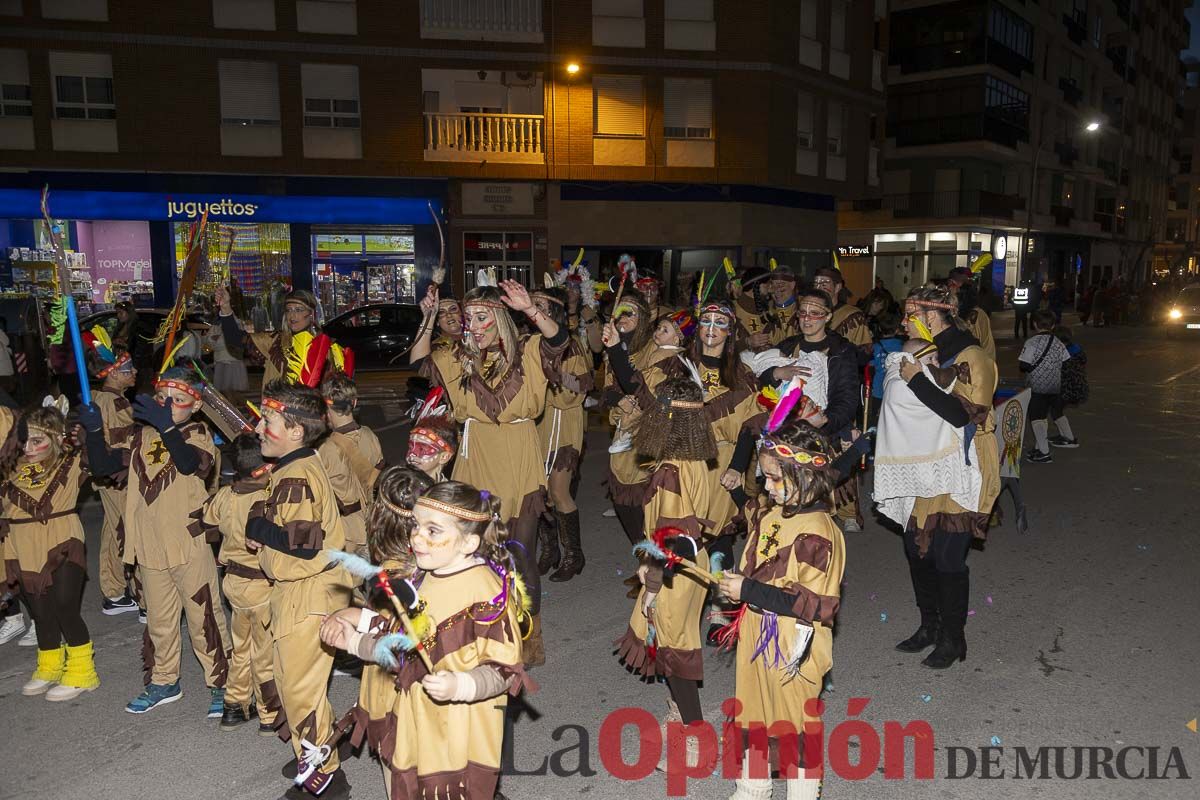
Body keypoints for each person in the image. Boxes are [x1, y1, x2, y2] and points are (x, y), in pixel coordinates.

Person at [321, 480, 534, 800]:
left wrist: (462, 686)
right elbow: (399, 639)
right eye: (417, 526)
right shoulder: (420, 575)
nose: (417, 536)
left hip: (459, 727)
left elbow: (504, 668)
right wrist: (355, 637)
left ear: (468, 543)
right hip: (415, 714)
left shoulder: (485, 590)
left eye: (433, 530)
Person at [409, 278, 568, 666]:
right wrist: (428, 317)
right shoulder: (457, 358)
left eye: (482, 317)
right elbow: (417, 361)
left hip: (519, 457)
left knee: (521, 553)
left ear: (500, 319)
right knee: (478, 555)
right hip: (476, 454)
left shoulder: (530, 350)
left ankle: (528, 640)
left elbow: (559, 337)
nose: (474, 326)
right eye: (468, 318)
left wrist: (530, 307)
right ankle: (483, 632)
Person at [80, 366, 231, 713]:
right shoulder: (140, 437)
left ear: (194, 406)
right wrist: (92, 432)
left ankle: (222, 683)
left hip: (187, 544)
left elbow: (192, 464)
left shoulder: (197, 433)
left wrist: (166, 425)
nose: (167, 406)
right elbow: (103, 466)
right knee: (160, 622)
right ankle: (165, 680)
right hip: (148, 546)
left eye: (178, 400)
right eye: (162, 399)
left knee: (204, 616)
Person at [717, 420, 845, 800]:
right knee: (754, 708)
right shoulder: (775, 512)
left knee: (795, 719)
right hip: (756, 632)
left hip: (794, 642)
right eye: (765, 477)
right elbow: (758, 527)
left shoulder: (819, 531)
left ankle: (803, 793)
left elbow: (813, 604)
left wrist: (748, 589)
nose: (767, 487)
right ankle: (753, 786)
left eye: (774, 479)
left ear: (804, 477)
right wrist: (738, 588)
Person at [245, 380, 354, 800]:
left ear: (295, 431)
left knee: (301, 692)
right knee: (301, 686)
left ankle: (324, 780)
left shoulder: (296, 475)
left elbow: (302, 546)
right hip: (301, 591)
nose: (258, 429)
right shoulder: (292, 468)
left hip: (307, 593)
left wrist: (258, 527)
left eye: (268, 419)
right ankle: (317, 753)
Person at [894, 285, 999, 669]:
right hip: (925, 462)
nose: (903, 322)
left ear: (934, 315)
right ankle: (929, 627)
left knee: (948, 558)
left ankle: (954, 640)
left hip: (963, 465)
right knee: (916, 549)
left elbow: (962, 415)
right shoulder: (918, 351)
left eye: (910, 314)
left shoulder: (973, 356)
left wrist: (914, 379)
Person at [614, 377, 717, 764]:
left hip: (673, 570)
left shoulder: (672, 468)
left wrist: (653, 584)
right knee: (669, 644)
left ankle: (696, 737)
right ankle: (679, 714)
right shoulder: (696, 459)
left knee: (675, 651)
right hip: (691, 564)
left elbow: (672, 535)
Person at [343, 467, 433, 792]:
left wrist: (353, 633)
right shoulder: (448, 562)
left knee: (398, 767)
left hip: (398, 689)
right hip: (437, 688)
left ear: (379, 520)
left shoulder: (390, 579)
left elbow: (387, 642)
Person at [5, 401, 101, 702]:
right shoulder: (9, 469)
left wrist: (93, 434)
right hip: (22, 545)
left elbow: (101, 461)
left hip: (62, 539)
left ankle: (83, 671)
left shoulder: (70, 463)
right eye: (25, 441)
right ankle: (49, 665)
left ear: (57, 438)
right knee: (40, 612)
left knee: (64, 606)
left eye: (38, 440)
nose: (29, 448)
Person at [754, 289, 863, 532]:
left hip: (824, 432)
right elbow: (760, 384)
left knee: (815, 505)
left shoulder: (841, 351)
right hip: (786, 432)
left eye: (815, 313)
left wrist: (819, 425)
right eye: (803, 313)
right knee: (782, 496)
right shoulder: (787, 346)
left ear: (828, 316)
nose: (807, 318)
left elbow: (846, 400)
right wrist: (775, 374)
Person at [197, 432, 279, 734]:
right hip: (261, 584)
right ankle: (269, 712)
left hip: (233, 582)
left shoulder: (226, 495)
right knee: (265, 650)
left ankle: (233, 705)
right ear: (264, 468)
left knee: (241, 647)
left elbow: (207, 522)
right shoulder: (268, 497)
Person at [873, 340, 982, 529]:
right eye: (930, 358)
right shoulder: (900, 383)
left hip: (929, 470)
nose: (937, 364)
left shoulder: (917, 380)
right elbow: (958, 416)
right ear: (910, 361)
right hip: (920, 470)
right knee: (922, 531)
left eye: (937, 358)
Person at [532, 286, 592, 583]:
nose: (532, 309)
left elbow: (578, 388)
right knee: (539, 493)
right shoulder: (529, 342)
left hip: (563, 425)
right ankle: (550, 550)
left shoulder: (571, 344)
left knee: (559, 491)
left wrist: (549, 380)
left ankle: (574, 555)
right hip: (538, 428)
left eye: (539, 305)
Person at [86, 342, 141, 617]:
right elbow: (124, 446)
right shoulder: (115, 402)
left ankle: (114, 592)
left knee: (112, 528)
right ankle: (143, 595)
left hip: (105, 479)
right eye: (128, 370)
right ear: (113, 373)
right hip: (119, 478)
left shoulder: (95, 398)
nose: (135, 372)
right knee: (128, 529)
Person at [1020, 310, 1076, 462]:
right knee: (1044, 417)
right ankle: (1039, 448)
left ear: (1034, 324)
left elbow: (1024, 365)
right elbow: (1066, 362)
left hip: (1037, 387)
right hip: (1055, 387)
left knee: (1037, 418)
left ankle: (1044, 452)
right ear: (1053, 325)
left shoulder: (1031, 343)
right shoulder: (1058, 343)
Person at [322, 372, 386, 502]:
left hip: (343, 521)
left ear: (325, 406)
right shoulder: (370, 435)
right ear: (354, 402)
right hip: (369, 515)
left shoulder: (325, 448)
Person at [814, 266, 873, 354]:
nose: (818, 288)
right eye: (815, 284)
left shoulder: (853, 316)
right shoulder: (808, 313)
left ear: (837, 287)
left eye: (824, 285)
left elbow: (865, 351)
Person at [868, 312, 905, 432]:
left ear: (879, 328)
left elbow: (871, 364)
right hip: (896, 388)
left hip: (878, 388)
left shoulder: (875, 346)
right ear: (896, 330)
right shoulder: (902, 345)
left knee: (875, 419)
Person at [948, 268, 995, 362]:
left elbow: (982, 345)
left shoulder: (976, 315)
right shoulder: (948, 311)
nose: (949, 289)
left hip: (974, 365)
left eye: (952, 285)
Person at [405, 412, 457, 483]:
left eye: (422, 449)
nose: (412, 454)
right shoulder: (397, 485)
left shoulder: (448, 493)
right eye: (410, 447)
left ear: (444, 457)